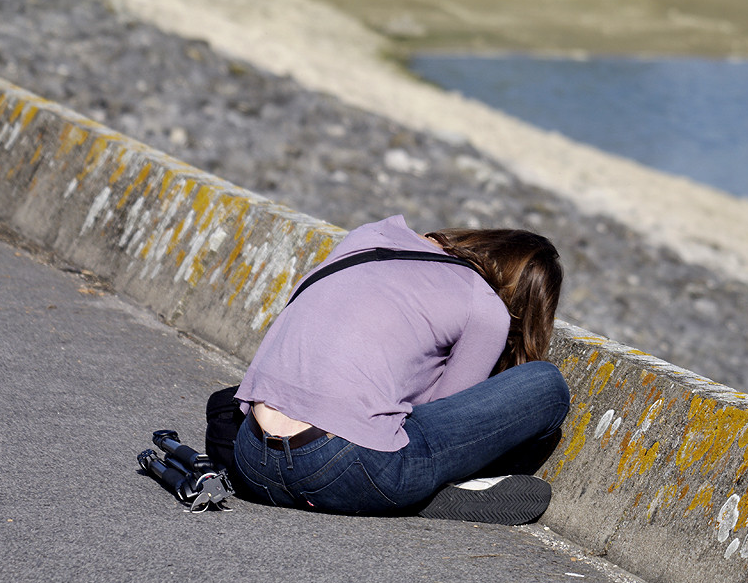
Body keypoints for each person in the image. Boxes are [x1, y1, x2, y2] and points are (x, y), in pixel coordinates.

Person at [231, 214, 570, 524]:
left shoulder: (370, 235)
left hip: (250, 455)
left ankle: (389, 494)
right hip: (343, 466)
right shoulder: (485, 308)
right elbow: (445, 418)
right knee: (548, 385)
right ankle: (422, 491)